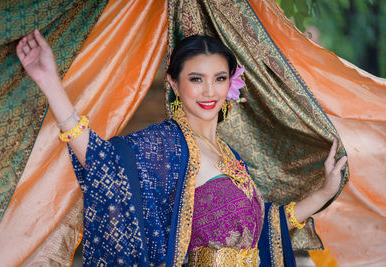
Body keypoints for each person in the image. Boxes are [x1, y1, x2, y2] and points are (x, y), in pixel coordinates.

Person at [17, 30, 347, 266]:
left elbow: (264, 229)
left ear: (231, 82)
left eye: (219, 78)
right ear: (174, 83)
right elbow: (106, 162)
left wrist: (323, 192)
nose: (209, 91)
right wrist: (50, 83)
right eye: (196, 79)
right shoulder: (166, 147)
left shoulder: (231, 155)